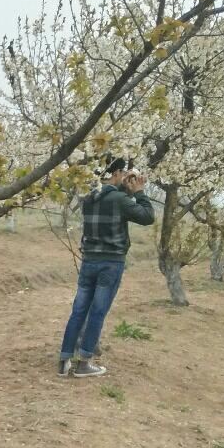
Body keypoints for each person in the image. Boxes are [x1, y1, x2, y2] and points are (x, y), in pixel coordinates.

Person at [57, 157, 154, 377]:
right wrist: (139, 192)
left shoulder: (88, 196)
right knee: (97, 312)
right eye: (122, 173)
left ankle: (64, 361)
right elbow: (147, 217)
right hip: (111, 263)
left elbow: (110, 199)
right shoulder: (120, 200)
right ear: (116, 173)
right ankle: (84, 363)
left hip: (89, 261)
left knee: (78, 310)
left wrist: (125, 190)